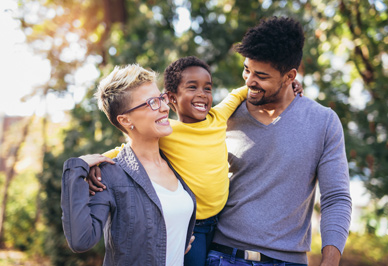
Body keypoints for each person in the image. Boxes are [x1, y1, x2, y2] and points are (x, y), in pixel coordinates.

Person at [87, 56, 303, 266]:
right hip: (192, 227)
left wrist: (287, 84)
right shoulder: (166, 133)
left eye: (207, 88)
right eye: (192, 87)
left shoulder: (218, 117)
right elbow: (127, 149)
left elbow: (241, 92)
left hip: (223, 223)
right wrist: (94, 162)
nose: (202, 94)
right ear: (171, 98)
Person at [206, 17, 352, 266]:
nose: (249, 80)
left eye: (261, 75)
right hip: (224, 256)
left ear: (289, 76)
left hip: (288, 261)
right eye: (246, 69)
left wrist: (330, 261)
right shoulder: (226, 115)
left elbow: (336, 198)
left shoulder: (323, 122)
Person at [60, 64, 197, 266]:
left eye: (161, 98)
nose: (165, 107)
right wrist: (75, 171)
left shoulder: (175, 163)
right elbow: (81, 241)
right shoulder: (109, 175)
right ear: (125, 120)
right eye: (152, 102)